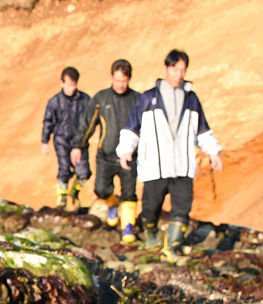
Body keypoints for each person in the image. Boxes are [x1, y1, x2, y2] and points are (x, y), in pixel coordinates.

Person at [117, 49, 223, 257]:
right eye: (175, 70)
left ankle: (172, 247)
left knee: (182, 208)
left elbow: (202, 129)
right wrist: (125, 150)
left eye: (183, 70)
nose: (179, 75)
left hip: (182, 165)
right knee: (150, 209)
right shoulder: (149, 98)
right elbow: (132, 127)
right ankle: (151, 234)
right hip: (156, 165)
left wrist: (213, 152)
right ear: (166, 69)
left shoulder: (192, 99)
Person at [71, 59, 141, 243]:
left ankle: (128, 227)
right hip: (106, 155)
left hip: (130, 157)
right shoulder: (101, 99)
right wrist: (78, 145)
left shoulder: (137, 100)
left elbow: (147, 128)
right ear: (111, 77)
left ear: (129, 79)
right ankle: (112, 204)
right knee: (101, 190)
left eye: (124, 81)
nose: (120, 84)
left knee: (129, 193)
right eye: (117, 80)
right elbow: (87, 124)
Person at [41, 66, 91, 210]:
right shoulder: (54, 102)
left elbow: (92, 119)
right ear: (61, 83)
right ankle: (61, 198)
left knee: (84, 172)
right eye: (68, 85)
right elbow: (48, 121)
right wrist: (44, 141)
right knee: (64, 168)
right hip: (62, 140)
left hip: (80, 141)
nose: (71, 88)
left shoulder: (85, 100)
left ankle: (74, 193)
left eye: (73, 85)